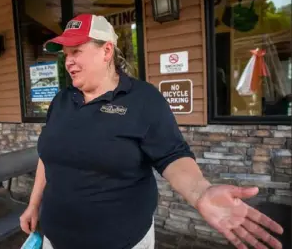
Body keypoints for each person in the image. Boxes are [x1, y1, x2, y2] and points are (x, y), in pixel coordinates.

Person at [19, 13, 284, 249]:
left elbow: (173, 156)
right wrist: (33, 204)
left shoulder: (143, 99)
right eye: (66, 54)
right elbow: (48, 154)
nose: (69, 61)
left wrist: (201, 192)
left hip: (122, 241)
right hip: (56, 239)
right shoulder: (61, 100)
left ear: (106, 50)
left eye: (76, 51)